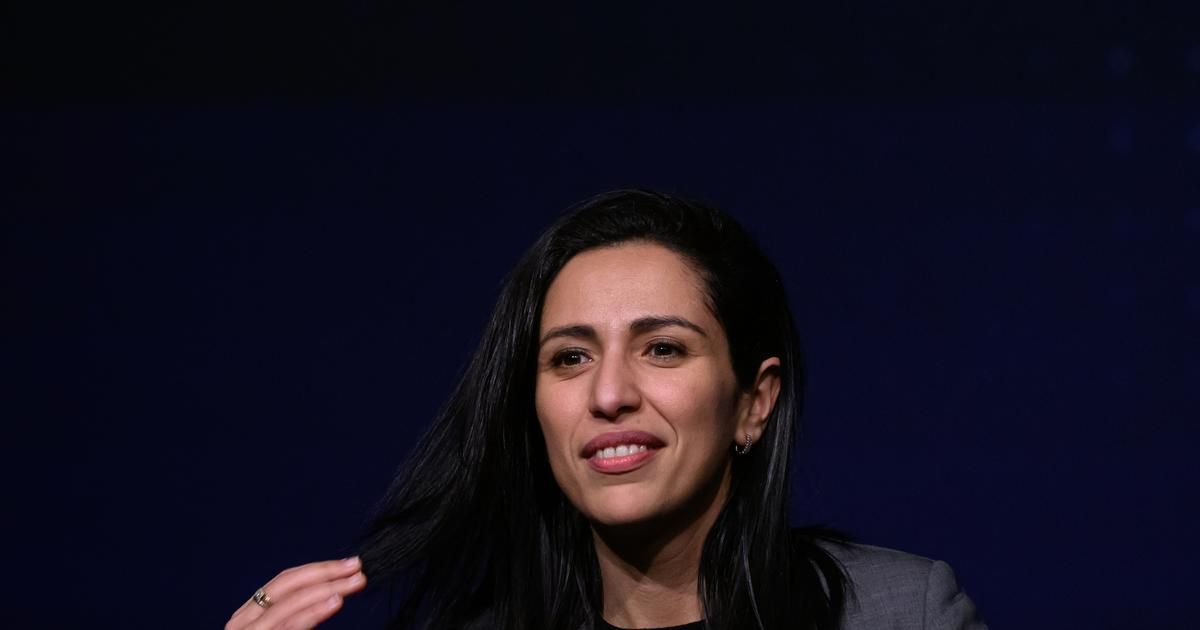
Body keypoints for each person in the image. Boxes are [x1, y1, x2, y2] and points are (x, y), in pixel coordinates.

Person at [226, 190, 987, 630]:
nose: (609, 393)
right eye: (570, 357)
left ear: (754, 404)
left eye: (663, 348)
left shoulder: (901, 614)